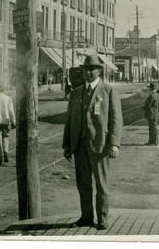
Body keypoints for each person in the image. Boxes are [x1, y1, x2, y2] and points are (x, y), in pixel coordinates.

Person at [63, 54, 123, 230]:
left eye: (92, 69)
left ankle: (102, 217)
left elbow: (116, 119)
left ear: (99, 71)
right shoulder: (76, 93)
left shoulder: (108, 91)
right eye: (86, 69)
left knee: (101, 184)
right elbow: (69, 121)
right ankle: (86, 216)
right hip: (79, 146)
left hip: (100, 145)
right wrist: (67, 145)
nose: (89, 73)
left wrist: (114, 144)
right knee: (83, 184)